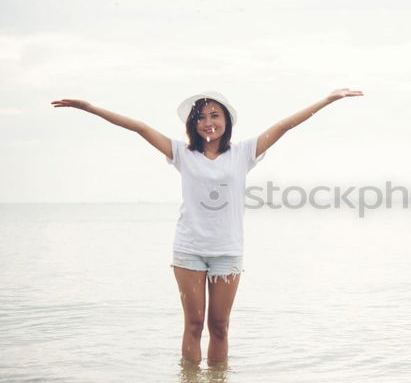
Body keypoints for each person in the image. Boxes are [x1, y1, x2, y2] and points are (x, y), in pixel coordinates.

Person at [51, 88, 363, 364]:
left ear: (226, 120)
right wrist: (89, 107)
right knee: (193, 324)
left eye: (215, 115)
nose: (208, 122)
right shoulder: (182, 154)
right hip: (189, 249)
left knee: (220, 327)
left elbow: (285, 125)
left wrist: (327, 100)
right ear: (193, 125)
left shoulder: (243, 153)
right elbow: (139, 128)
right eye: (201, 117)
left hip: (227, 252)